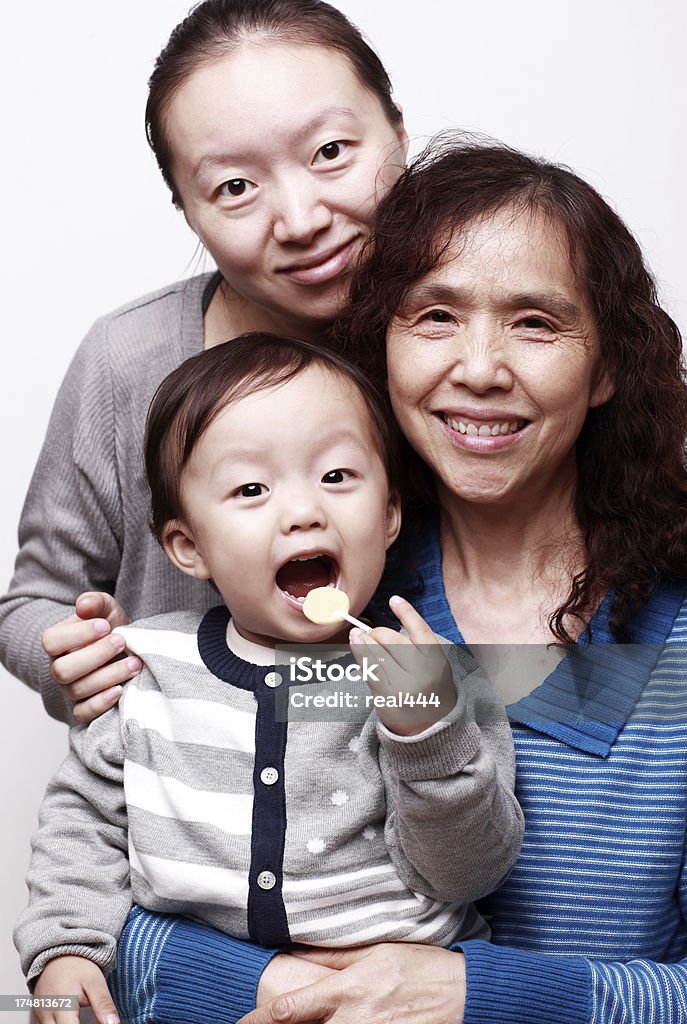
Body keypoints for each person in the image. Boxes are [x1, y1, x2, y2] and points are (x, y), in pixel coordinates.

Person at [228, 138, 687, 1024]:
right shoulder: (316, 597)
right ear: (379, 346)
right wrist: (274, 988)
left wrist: (484, 997)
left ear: (605, 370)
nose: (478, 369)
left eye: (535, 323)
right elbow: (133, 911)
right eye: (434, 315)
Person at [14, 334, 523, 1024]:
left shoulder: (436, 680)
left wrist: (428, 737)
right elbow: (83, 823)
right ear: (188, 548)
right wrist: (65, 947)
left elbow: (468, 875)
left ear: (391, 515)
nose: (304, 511)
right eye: (251, 489)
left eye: (337, 477)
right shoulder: (149, 669)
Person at [0, 0, 408, 725]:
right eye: (234, 188)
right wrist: (67, 658)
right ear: (187, 211)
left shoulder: (459, 352)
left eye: (331, 152)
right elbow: (34, 601)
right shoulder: (128, 360)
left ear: (398, 135)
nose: (302, 219)